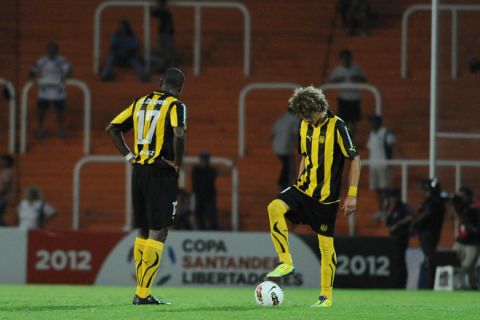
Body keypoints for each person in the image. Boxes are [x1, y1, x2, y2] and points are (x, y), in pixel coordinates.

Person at [265, 86, 361, 307]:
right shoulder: (304, 125)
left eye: (308, 115)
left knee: (326, 248)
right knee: (274, 207)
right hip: (303, 189)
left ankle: (325, 297)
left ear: (318, 108)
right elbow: (304, 156)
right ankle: (285, 261)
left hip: (326, 198)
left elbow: (354, 159)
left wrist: (352, 195)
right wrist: (298, 183)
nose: (306, 120)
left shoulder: (338, 126)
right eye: (303, 117)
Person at [106, 68, 186, 305]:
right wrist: (178, 163)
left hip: (139, 170)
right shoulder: (176, 106)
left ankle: (142, 292)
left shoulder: (139, 102)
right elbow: (179, 134)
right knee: (159, 229)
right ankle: (143, 293)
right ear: (181, 89)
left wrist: (130, 157)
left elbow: (112, 128)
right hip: (161, 170)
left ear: (160, 82)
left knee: (143, 228)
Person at [30, 41, 73, 139]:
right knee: (41, 110)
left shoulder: (62, 60)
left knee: (60, 111)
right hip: (44, 91)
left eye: (53, 49)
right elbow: (33, 71)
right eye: (49, 49)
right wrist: (33, 78)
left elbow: (69, 71)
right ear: (47, 50)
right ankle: (40, 128)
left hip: (59, 91)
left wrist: (65, 76)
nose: (51, 51)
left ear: (57, 50)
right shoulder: (42, 60)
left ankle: (60, 129)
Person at [411, 178, 446, 289]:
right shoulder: (433, 201)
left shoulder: (435, 202)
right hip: (427, 232)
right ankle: (430, 283)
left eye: (427, 190)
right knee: (428, 256)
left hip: (430, 232)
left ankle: (431, 284)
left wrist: (416, 222)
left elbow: (427, 213)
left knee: (430, 257)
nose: (426, 192)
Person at [367, 114, 404, 220]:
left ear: (378, 122)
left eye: (373, 122)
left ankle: (387, 211)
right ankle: (381, 211)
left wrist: (403, 158)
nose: (371, 124)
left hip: (384, 166)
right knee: (377, 190)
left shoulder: (386, 134)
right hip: (374, 166)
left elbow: (395, 145)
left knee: (385, 190)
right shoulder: (371, 134)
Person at [329, 49, 366, 139]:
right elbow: (331, 82)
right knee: (343, 120)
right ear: (341, 59)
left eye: (347, 58)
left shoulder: (356, 68)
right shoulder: (338, 69)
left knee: (354, 121)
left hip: (355, 98)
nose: (346, 60)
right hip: (343, 98)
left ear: (350, 58)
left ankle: (352, 140)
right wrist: (339, 80)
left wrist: (356, 78)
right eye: (344, 58)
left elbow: (364, 79)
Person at [449, 187, 480, 289]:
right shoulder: (461, 206)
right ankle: (455, 285)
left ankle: (470, 287)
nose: (459, 198)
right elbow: (452, 215)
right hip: (461, 241)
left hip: (473, 242)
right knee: (451, 262)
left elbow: (463, 220)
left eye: (462, 196)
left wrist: (456, 210)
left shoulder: (475, 206)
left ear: (468, 196)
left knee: (467, 267)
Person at [384, 188, 413, 288]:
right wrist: (388, 208)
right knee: (395, 260)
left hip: (401, 236)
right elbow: (386, 223)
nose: (391, 199)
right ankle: (395, 283)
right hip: (393, 237)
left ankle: (402, 283)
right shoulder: (391, 208)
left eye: (392, 197)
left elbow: (410, 217)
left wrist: (398, 224)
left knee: (400, 260)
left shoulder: (402, 207)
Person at [271, 110, 300, 190]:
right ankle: (285, 184)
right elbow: (298, 134)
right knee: (289, 165)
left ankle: (282, 182)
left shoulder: (282, 119)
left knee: (286, 164)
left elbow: (272, 134)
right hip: (286, 149)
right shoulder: (295, 120)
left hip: (276, 147)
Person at [191, 152, 219, 230]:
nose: (204, 161)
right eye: (202, 159)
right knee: (199, 214)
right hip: (199, 196)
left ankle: (213, 228)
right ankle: (200, 228)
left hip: (209, 196)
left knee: (211, 214)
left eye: (205, 159)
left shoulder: (211, 170)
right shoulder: (196, 170)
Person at [151, 0, 176, 73]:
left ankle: (170, 68)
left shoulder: (167, 13)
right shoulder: (160, 12)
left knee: (168, 51)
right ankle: (163, 67)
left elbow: (170, 26)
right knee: (162, 51)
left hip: (167, 35)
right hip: (162, 34)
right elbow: (152, 13)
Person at [0, 155, 14, 226]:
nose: (1, 162)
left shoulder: (7, 172)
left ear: (7, 162)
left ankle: (8, 231)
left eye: (3, 160)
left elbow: (4, 186)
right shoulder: (4, 172)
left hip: (2, 198)